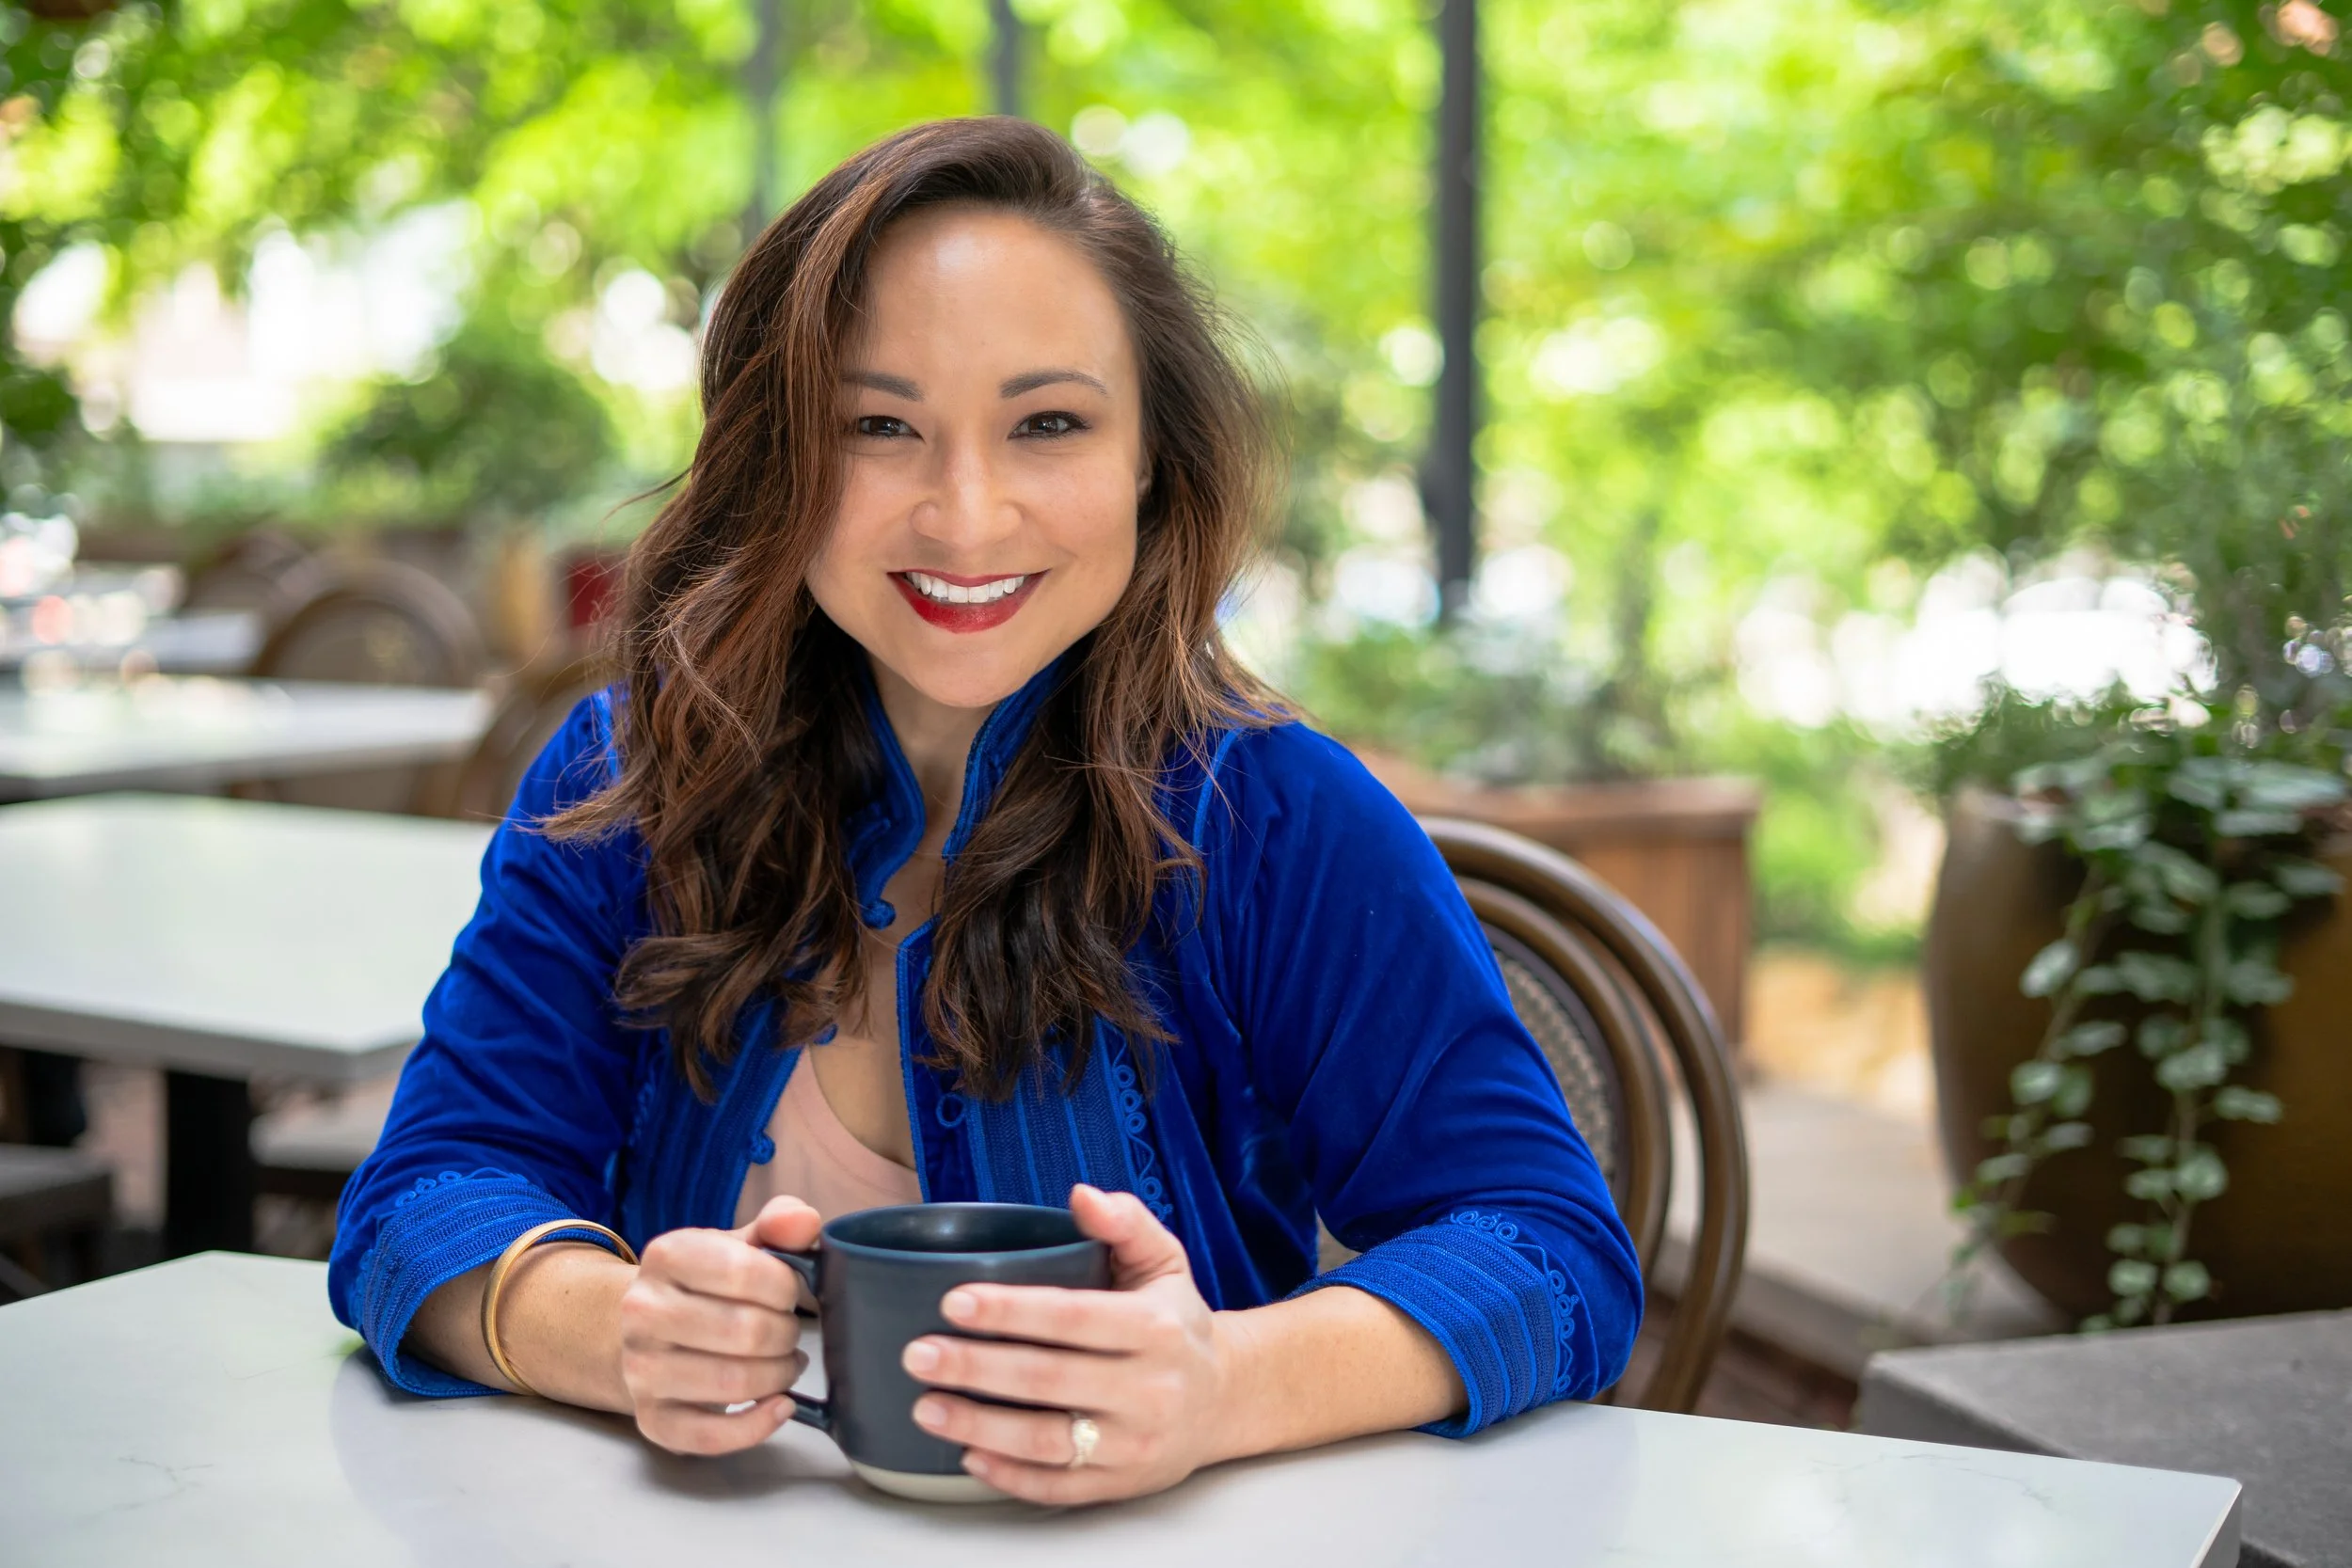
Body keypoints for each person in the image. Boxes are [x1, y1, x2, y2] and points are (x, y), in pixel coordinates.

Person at [329, 117, 1640, 1506]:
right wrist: (610, 1331)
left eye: (1048, 423)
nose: (964, 516)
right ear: (778, 455)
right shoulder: (629, 776)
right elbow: (426, 1196)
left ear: (1150, 458)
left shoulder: (1278, 813)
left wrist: (1219, 1384)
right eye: (879, 426)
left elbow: (1549, 1248)